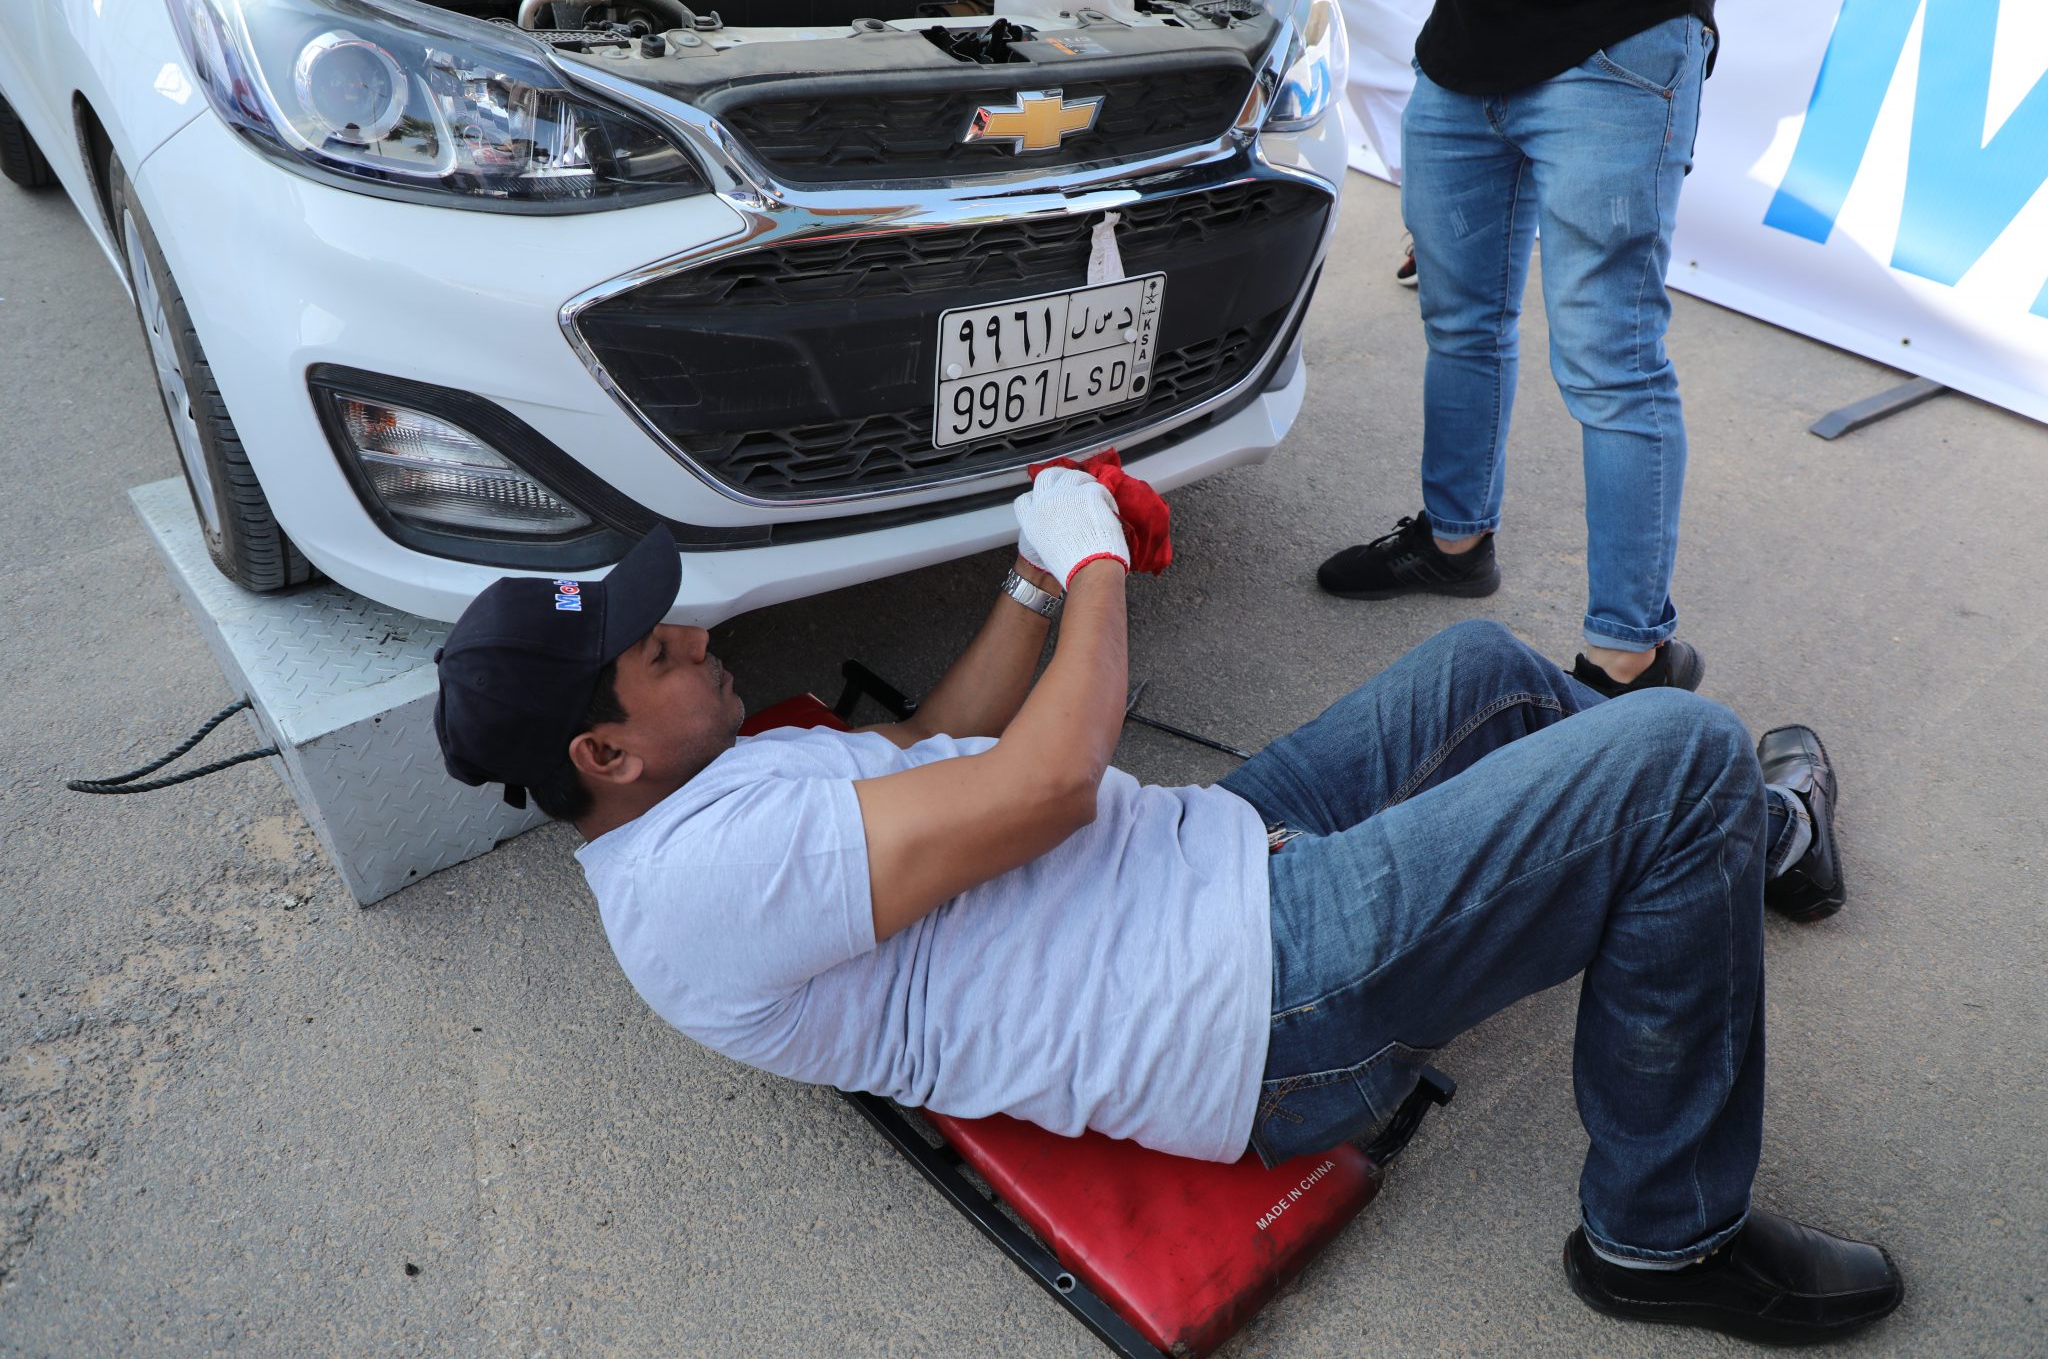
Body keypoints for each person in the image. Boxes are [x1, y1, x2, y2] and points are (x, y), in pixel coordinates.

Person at [433, 473, 1892, 1344]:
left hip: (1206, 858)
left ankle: (1731, 844)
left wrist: (1026, 570)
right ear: (603, 753)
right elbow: (1052, 780)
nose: (693, 634)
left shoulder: (703, 788)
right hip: (1264, 1014)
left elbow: (939, 738)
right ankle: (1663, 1234)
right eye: (656, 652)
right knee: (1673, 749)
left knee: (1485, 671)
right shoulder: (698, 889)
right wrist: (1094, 569)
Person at [1318, 0, 1719, 698]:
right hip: (1464, 47)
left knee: (1612, 365)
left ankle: (1626, 655)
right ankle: (1454, 544)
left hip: (1617, 43)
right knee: (1459, 321)